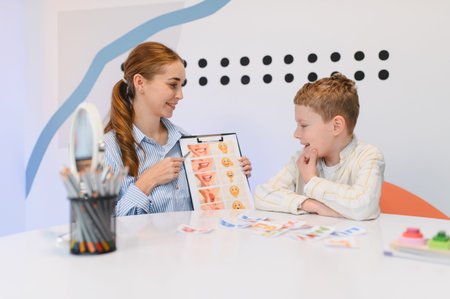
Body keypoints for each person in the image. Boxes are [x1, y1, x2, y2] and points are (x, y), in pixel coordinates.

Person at [104, 42, 252, 216]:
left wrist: (232, 176)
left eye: (181, 85)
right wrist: (147, 181)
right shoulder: (109, 150)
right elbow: (103, 228)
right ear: (140, 82)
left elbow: (210, 212)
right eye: (173, 85)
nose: (180, 95)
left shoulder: (186, 142)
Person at [254, 73, 385, 220]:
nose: (296, 134)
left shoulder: (369, 156)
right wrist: (311, 205)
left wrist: (312, 180)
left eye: (303, 125)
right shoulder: (302, 159)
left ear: (336, 126)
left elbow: (363, 206)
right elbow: (262, 194)